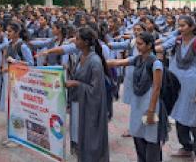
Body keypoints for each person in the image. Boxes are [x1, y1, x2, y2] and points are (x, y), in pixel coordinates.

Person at [156, 15, 196, 162]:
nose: (180, 28)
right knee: (179, 116)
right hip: (177, 86)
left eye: (183, 25)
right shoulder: (177, 40)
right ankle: (186, 147)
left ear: (192, 27)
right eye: (179, 25)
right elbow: (161, 47)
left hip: (193, 87)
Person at [107, 32, 165, 162]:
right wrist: (102, 61)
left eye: (140, 44)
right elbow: (118, 62)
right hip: (138, 104)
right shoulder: (137, 59)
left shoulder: (156, 63)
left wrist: (151, 111)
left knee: (151, 138)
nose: (137, 47)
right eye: (136, 44)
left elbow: (156, 88)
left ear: (149, 45)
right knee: (138, 135)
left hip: (150, 105)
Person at [65, 27, 109, 162]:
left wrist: (76, 84)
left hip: (89, 106)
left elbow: (95, 91)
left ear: (85, 42)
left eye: (77, 39)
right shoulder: (80, 56)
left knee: (90, 137)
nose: (75, 41)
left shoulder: (95, 61)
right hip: (78, 103)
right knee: (79, 136)